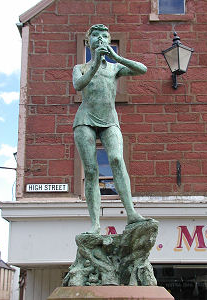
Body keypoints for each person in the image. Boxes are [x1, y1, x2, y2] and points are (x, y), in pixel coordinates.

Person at [73, 24, 147, 234]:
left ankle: (131, 213)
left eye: (104, 36)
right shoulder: (81, 67)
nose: (100, 39)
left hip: (109, 120)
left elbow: (142, 69)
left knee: (116, 159)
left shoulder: (115, 68)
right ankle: (96, 223)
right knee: (91, 170)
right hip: (85, 119)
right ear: (89, 42)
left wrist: (117, 56)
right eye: (95, 36)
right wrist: (95, 62)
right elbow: (79, 85)